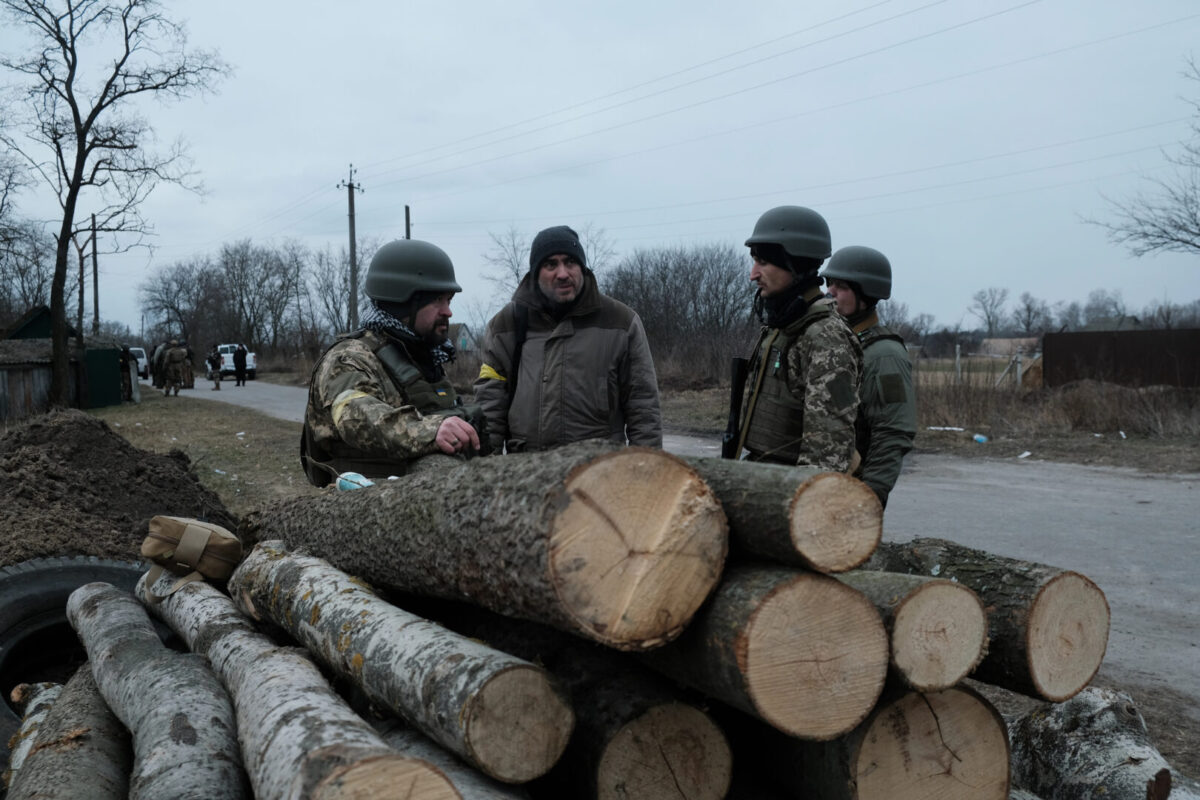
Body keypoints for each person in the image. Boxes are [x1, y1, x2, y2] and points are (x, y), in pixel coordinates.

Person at [301, 238, 483, 486]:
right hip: (362, 506)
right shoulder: (349, 357)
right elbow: (355, 417)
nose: (448, 312)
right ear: (402, 301)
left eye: (448, 300)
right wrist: (430, 431)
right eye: (437, 300)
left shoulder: (421, 357)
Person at [474, 224, 662, 453]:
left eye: (570, 262)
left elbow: (643, 409)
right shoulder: (504, 327)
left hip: (599, 475)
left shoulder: (621, 323)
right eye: (551, 264)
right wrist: (485, 472)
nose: (563, 273)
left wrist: (646, 473)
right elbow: (490, 411)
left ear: (581, 268)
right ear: (535, 273)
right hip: (526, 475)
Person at [732, 206, 862, 471]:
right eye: (754, 261)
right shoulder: (783, 325)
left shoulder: (826, 337)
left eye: (763, 262)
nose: (753, 274)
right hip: (765, 474)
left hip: (792, 490)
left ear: (797, 264)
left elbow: (827, 451)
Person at [822, 245, 917, 508]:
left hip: (852, 492)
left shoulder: (884, 355)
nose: (830, 292)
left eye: (841, 286)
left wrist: (870, 497)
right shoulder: (837, 343)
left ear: (866, 294)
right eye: (829, 283)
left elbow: (893, 431)